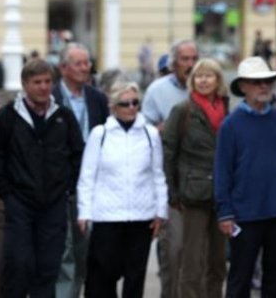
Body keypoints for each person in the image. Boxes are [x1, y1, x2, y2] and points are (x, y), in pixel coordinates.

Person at [0, 58, 85, 298]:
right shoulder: (7, 117)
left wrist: (66, 188)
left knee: (49, 267)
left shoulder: (63, 116)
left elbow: (77, 154)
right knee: (19, 265)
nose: (43, 87)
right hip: (18, 203)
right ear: (25, 84)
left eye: (48, 81)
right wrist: (8, 194)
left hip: (54, 204)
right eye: (37, 82)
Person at [214, 56, 276, 298]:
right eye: (256, 82)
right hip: (245, 213)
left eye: (267, 81)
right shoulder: (231, 125)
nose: (263, 86)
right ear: (243, 86)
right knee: (240, 277)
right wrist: (224, 211)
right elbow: (222, 171)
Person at [77, 81, 167, 298]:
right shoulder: (100, 134)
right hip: (107, 216)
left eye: (135, 102)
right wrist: (84, 213)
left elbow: (158, 174)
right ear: (113, 106)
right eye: (125, 103)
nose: (131, 108)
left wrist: (160, 211)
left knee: (135, 277)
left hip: (141, 216)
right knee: (104, 275)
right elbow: (87, 176)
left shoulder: (150, 134)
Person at [163, 59, 229, 298]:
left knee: (218, 260)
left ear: (218, 80)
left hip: (222, 194)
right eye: (198, 76)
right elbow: (168, 152)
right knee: (192, 261)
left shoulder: (228, 109)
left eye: (209, 75)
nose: (203, 80)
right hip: (192, 193)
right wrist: (172, 192)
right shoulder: (183, 110)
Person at [53, 43, 109, 298]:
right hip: (61, 184)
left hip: (93, 185)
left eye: (87, 62)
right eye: (79, 63)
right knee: (64, 252)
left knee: (89, 249)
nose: (85, 68)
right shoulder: (51, 96)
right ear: (63, 68)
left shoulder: (97, 98)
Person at [143, 39, 198, 298]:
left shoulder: (208, 89)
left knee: (199, 254)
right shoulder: (157, 90)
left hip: (203, 181)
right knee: (172, 251)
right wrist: (161, 129)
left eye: (193, 59)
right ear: (174, 63)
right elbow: (142, 131)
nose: (190, 65)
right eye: (185, 59)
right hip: (171, 180)